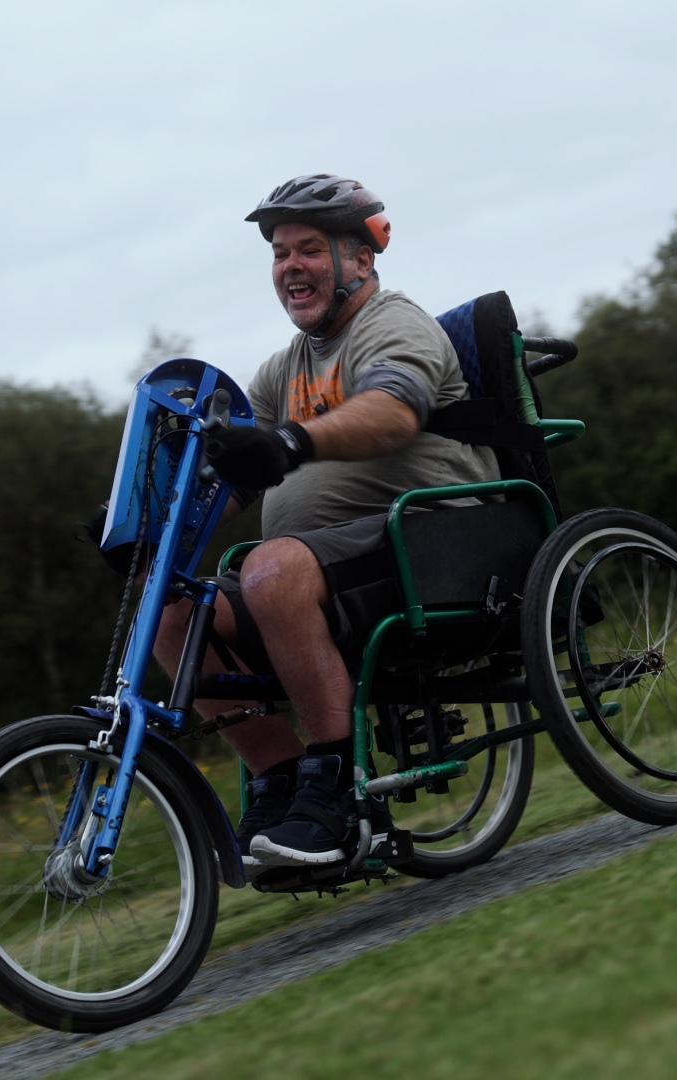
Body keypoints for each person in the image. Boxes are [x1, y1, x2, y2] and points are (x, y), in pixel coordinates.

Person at [152, 175, 499, 869]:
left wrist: (290, 442)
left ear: (361, 260)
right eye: (280, 253)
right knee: (171, 610)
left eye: (309, 249)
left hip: (436, 544)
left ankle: (338, 796)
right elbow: (224, 477)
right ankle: (283, 787)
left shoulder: (393, 324)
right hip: (338, 569)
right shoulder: (282, 371)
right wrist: (150, 529)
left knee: (271, 567)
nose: (290, 267)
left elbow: (394, 410)